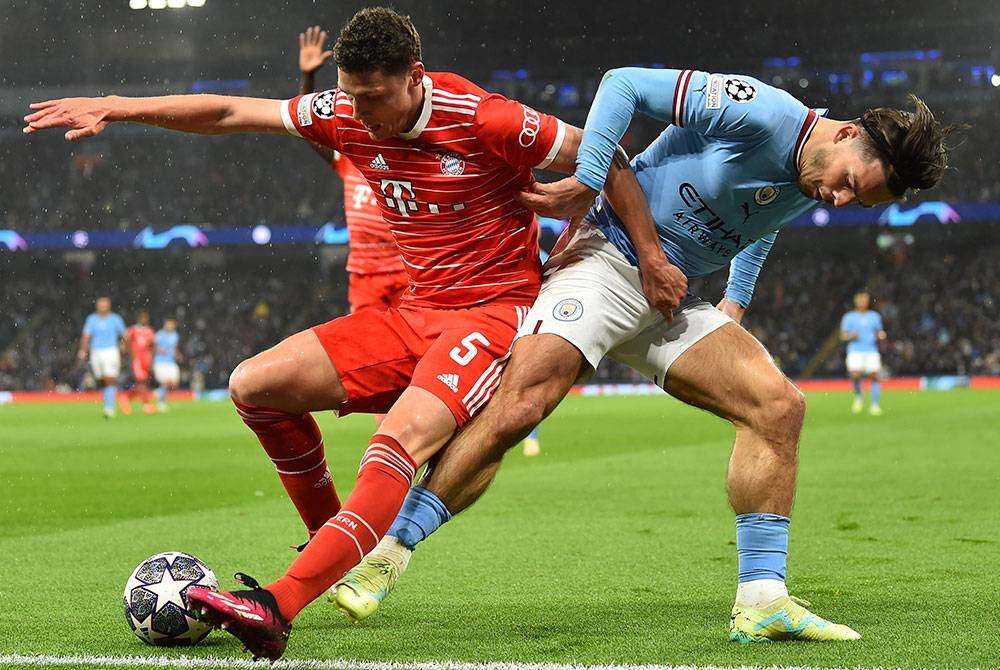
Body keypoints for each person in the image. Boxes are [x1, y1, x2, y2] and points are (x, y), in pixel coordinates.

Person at [24, 8, 655, 660]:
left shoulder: (483, 118)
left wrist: (637, 243)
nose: (362, 113)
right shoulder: (345, 110)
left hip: (492, 314)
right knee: (255, 385)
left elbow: (611, 154)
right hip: (413, 312)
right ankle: (333, 536)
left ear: (415, 77)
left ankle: (275, 605)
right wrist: (119, 107)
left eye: (375, 98)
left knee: (395, 442)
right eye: (352, 96)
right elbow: (231, 114)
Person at [331, 68, 956, 643]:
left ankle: (762, 597)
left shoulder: (812, 174)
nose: (838, 200)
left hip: (670, 297)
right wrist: (590, 174)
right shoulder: (761, 112)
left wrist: (734, 304)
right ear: (846, 134)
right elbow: (623, 82)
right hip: (605, 259)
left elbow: (761, 224)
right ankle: (387, 555)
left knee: (779, 407)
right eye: (848, 184)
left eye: (855, 201)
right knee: (522, 406)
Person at [298, 25, 408, 425]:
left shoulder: (400, 159)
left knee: (420, 368)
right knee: (380, 371)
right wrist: (309, 78)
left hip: (408, 274)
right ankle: (393, 449)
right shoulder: (349, 162)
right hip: (364, 277)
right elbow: (309, 132)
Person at [78, 296, 127, 419]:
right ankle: (110, 399)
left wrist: (124, 346)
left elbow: (124, 335)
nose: (102, 307)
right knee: (101, 380)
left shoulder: (115, 319)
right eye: (100, 305)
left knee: (110, 379)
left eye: (105, 305)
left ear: (109, 306)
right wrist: (83, 350)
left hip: (111, 350)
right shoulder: (92, 319)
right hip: (96, 352)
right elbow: (86, 336)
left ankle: (109, 408)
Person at [840, 291, 887, 415]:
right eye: (860, 299)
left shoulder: (874, 316)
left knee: (875, 376)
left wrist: (880, 336)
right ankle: (859, 396)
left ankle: (874, 405)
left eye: (865, 299)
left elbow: (879, 332)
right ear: (856, 301)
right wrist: (851, 335)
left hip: (871, 350)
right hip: (855, 350)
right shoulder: (849, 317)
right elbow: (843, 336)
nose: (863, 302)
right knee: (855, 374)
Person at [121, 309, 157, 415]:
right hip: (137, 360)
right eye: (142, 317)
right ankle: (146, 405)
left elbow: (152, 346)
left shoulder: (150, 331)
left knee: (143, 383)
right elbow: (125, 341)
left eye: (145, 318)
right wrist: (128, 352)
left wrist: (152, 357)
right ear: (138, 318)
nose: (144, 319)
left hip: (146, 360)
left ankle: (126, 397)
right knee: (141, 381)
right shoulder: (133, 330)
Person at [153, 318, 182, 412]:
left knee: (174, 383)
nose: (169, 326)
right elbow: (153, 347)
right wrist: (159, 350)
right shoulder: (159, 335)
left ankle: (158, 392)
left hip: (171, 362)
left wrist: (178, 355)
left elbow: (174, 348)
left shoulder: (175, 336)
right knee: (165, 382)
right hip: (160, 362)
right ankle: (161, 403)